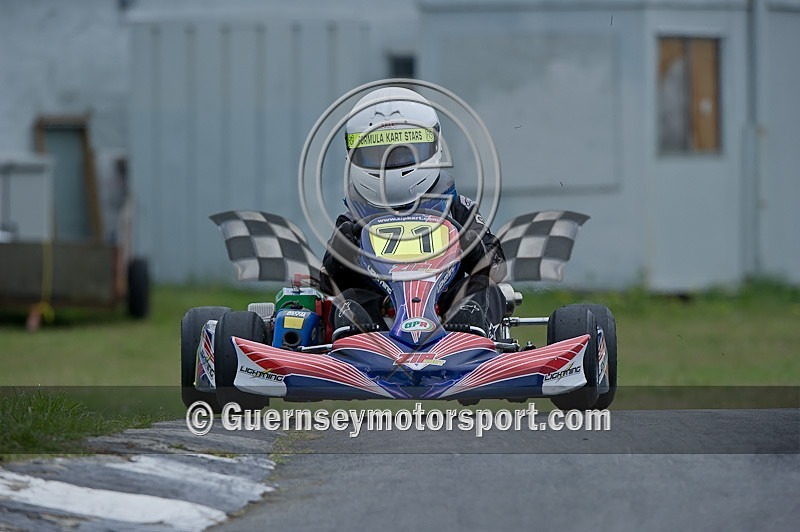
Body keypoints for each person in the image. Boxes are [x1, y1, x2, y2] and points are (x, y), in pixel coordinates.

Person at [319, 87, 506, 337]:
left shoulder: (458, 208)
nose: (391, 161)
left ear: (432, 145)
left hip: (446, 314)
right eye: (376, 151)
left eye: (404, 149)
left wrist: (471, 245)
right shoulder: (352, 219)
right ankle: (359, 352)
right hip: (380, 316)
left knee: (482, 289)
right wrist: (343, 250)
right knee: (349, 301)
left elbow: (497, 270)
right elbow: (326, 282)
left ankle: (469, 342)